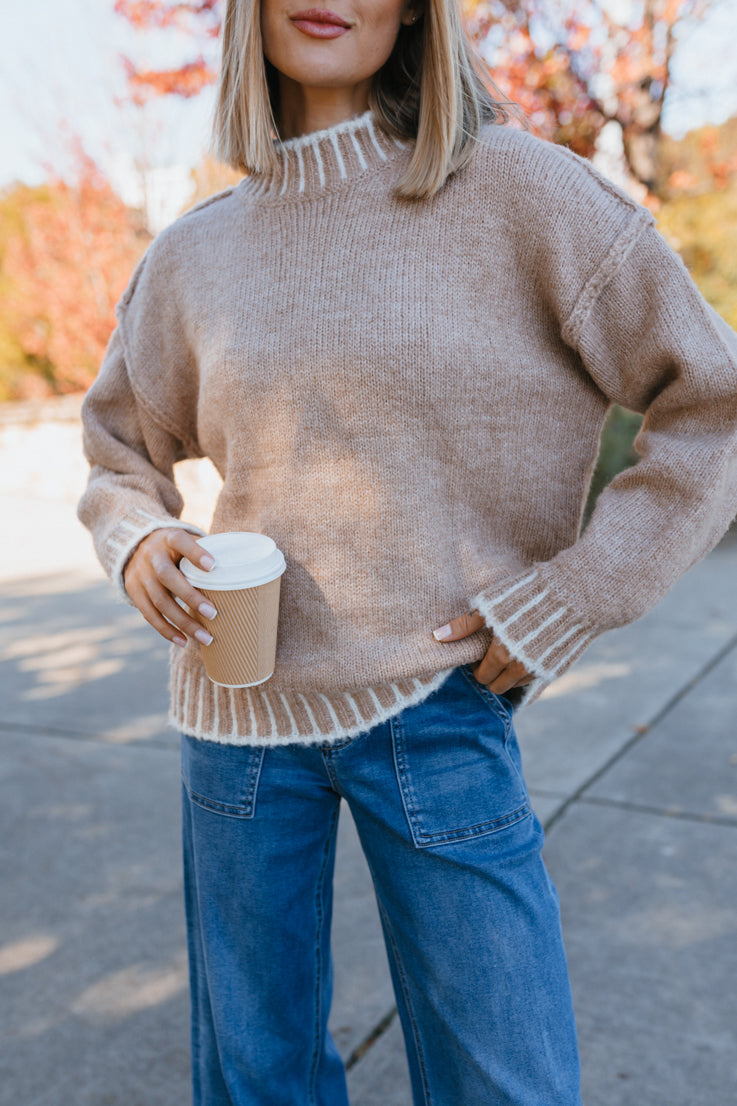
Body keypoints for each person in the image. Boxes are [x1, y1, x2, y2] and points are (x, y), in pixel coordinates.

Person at [77, 0, 737, 1101]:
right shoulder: (194, 252)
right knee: (254, 1081)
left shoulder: (523, 192)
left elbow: (707, 403)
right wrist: (137, 534)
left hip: (436, 707)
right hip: (232, 722)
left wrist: (573, 591)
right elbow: (114, 450)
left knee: (506, 1080)